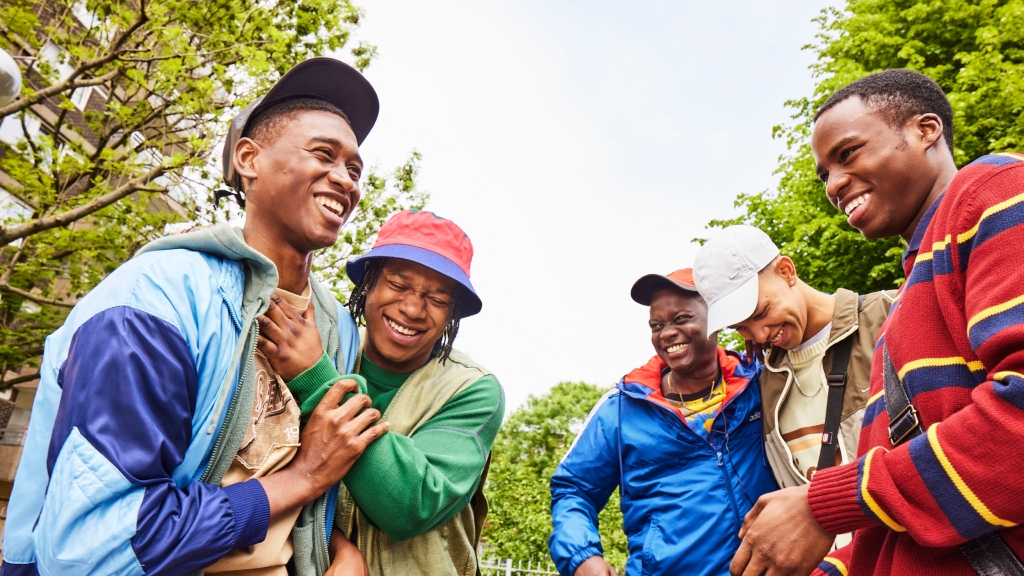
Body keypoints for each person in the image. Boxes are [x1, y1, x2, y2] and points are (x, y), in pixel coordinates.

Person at [0, 58, 388, 575]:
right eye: (324, 154)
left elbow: (288, 478)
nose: (344, 179)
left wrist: (339, 550)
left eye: (355, 168)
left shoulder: (338, 327)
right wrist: (305, 476)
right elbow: (94, 550)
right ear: (249, 159)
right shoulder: (153, 299)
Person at [729, 69, 1024, 576]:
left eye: (847, 154)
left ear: (925, 130)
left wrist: (825, 503)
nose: (834, 184)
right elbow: (912, 519)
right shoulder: (909, 297)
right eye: (824, 174)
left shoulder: (996, 191)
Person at [267, 209, 504, 576]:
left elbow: (411, 506)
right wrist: (337, 546)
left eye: (438, 299)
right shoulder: (326, 348)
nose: (412, 309)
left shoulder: (473, 390)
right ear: (368, 283)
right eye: (398, 283)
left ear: (452, 315)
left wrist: (316, 379)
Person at [548, 269, 777, 576]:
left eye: (681, 319)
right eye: (657, 325)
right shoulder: (621, 409)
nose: (666, 333)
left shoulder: (760, 383)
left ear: (716, 318)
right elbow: (573, 489)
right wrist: (581, 557)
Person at [694, 225, 892, 494]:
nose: (759, 333)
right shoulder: (766, 380)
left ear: (786, 271)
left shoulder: (887, 315)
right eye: (740, 327)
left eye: (761, 311)